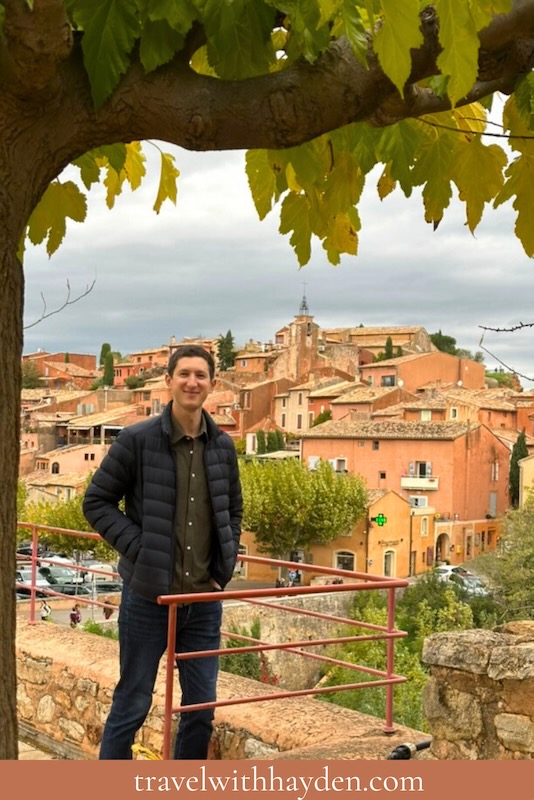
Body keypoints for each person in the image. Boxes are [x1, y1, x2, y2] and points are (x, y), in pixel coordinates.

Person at [83, 345, 242, 761]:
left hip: (203, 601)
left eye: (201, 375)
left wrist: (223, 569)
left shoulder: (223, 446)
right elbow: (96, 501)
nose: (192, 382)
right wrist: (140, 549)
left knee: (200, 709)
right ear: (168, 380)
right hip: (148, 597)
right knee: (132, 703)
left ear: (212, 384)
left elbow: (234, 510)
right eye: (184, 374)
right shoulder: (137, 441)